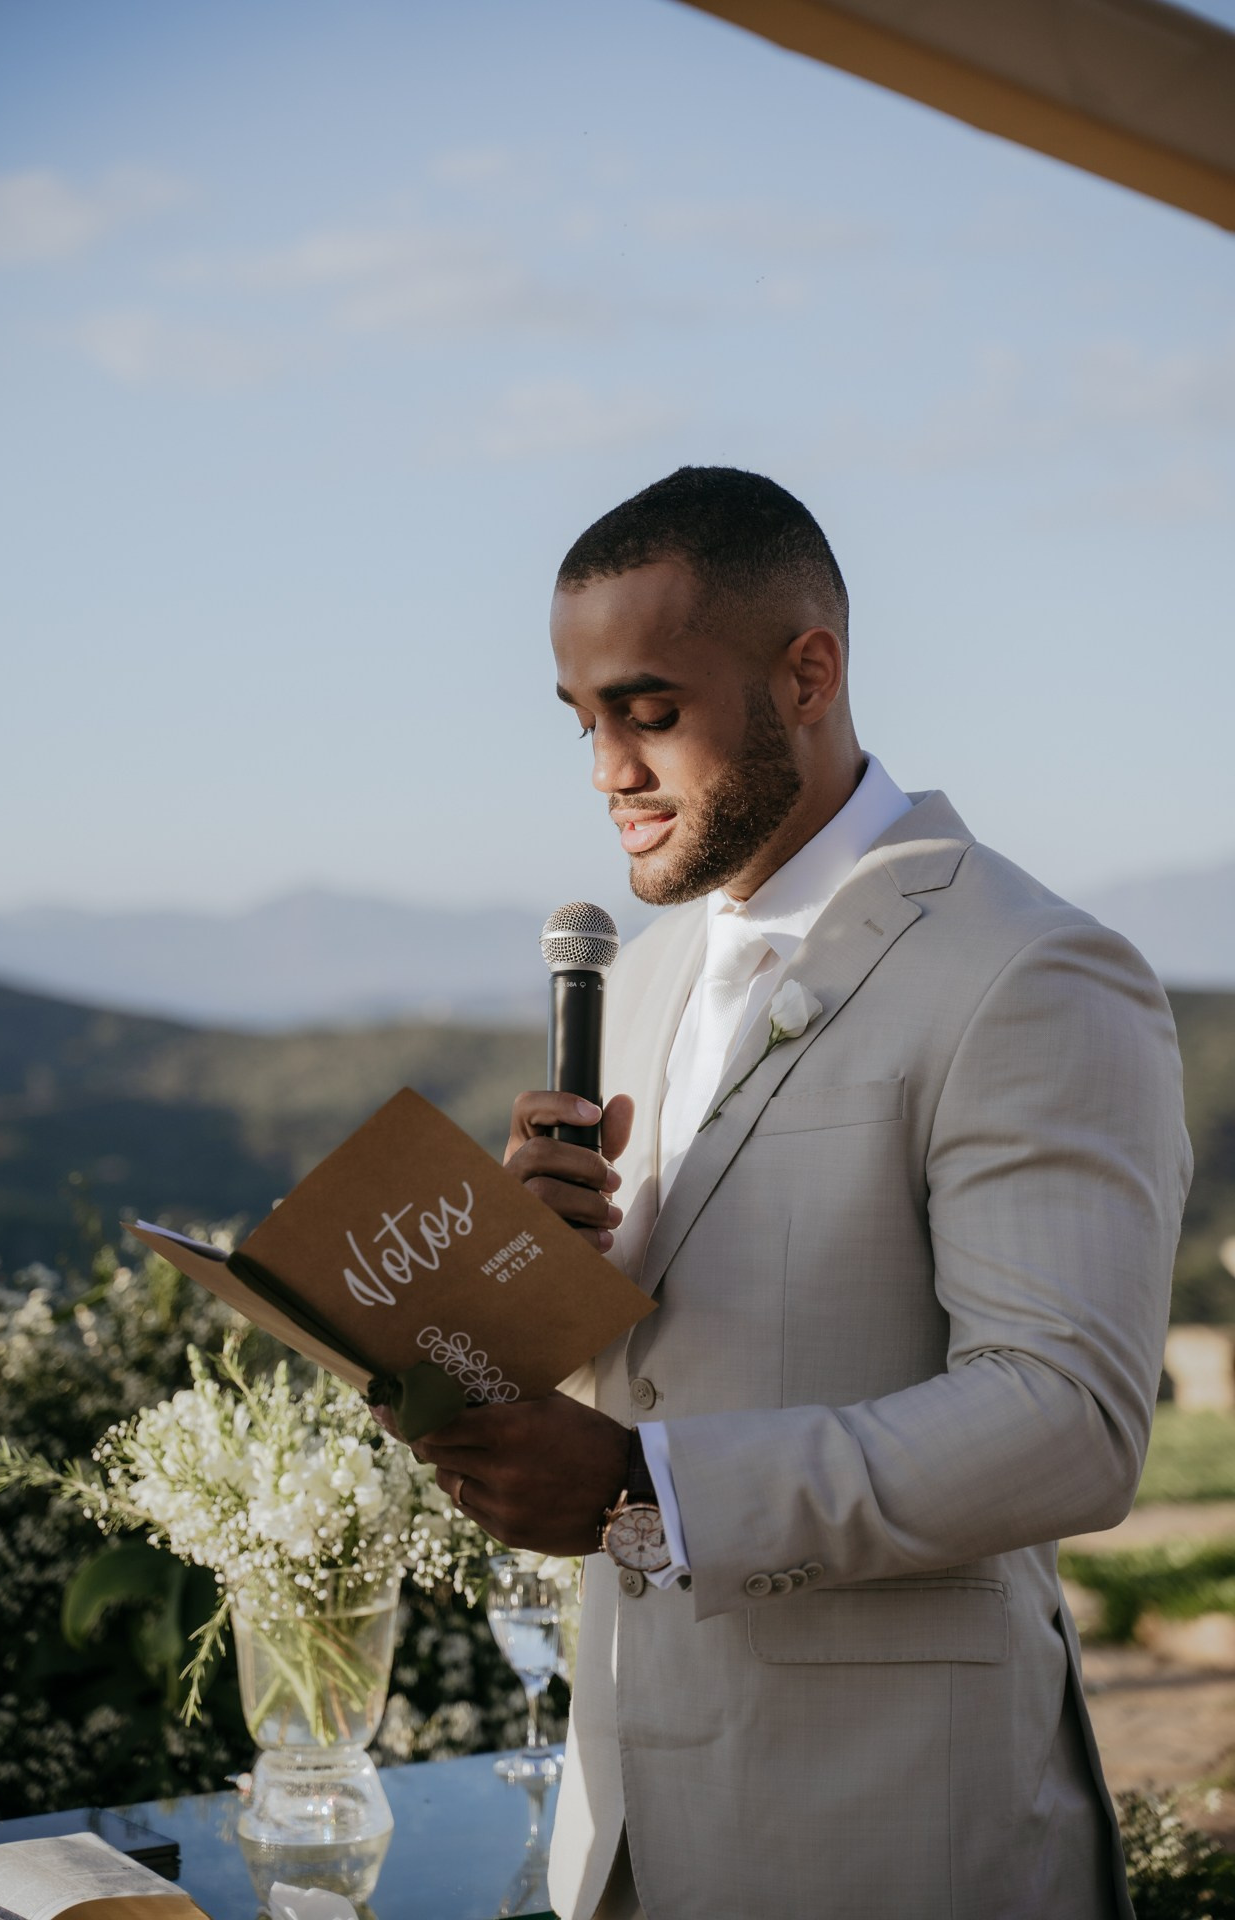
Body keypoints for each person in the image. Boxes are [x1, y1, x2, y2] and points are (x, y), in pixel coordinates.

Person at [395, 467, 1191, 1918]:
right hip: (625, 1828)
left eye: (646, 710)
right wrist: (521, 1279)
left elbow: (1068, 1420)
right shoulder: (635, 987)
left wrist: (643, 1485)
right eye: (581, 720)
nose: (606, 772)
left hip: (894, 1833)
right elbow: (666, 1352)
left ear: (807, 673)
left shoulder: (1029, 970)